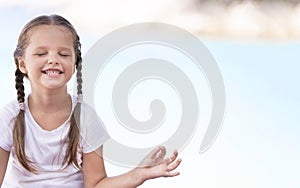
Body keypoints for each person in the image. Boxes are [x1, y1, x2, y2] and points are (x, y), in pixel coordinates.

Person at [0, 14, 181, 187]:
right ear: (22, 64)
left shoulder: (85, 118)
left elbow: (95, 185)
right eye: (41, 54)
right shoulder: (9, 117)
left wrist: (138, 174)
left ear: (75, 63)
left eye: (63, 54)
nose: (53, 59)